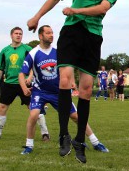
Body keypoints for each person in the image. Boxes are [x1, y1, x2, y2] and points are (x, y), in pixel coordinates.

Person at [27, 0, 125, 163]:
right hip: (71, 31)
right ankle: (64, 135)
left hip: (91, 35)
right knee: (64, 80)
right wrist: (37, 16)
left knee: (87, 90)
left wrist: (76, 10)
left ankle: (80, 140)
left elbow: (102, 8)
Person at [18, 25, 109, 155]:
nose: (51, 35)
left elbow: (68, 67)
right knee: (34, 115)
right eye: (48, 33)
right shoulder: (33, 53)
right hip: (40, 92)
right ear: (40, 36)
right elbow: (21, 74)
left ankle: (96, 142)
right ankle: (28, 146)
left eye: (52, 33)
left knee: (76, 117)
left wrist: (71, 81)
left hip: (59, 92)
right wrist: (24, 88)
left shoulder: (58, 51)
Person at [0, 27, 49, 141]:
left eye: (20, 34)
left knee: (34, 108)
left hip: (25, 84)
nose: (18, 35)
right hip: (9, 84)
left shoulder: (27, 49)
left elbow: (34, 65)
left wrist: (30, 77)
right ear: (11, 35)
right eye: (16, 33)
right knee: (2, 107)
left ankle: (45, 133)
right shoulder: (4, 51)